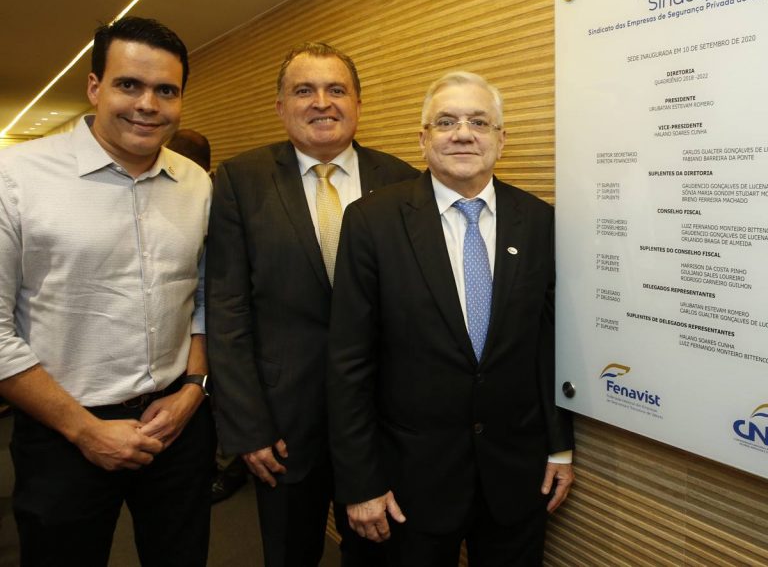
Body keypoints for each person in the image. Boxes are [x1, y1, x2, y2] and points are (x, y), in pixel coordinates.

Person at [328, 71, 575, 566]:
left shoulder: (539, 221)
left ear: (501, 139)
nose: (463, 134)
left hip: (516, 476)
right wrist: (360, 481)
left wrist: (559, 447)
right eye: (446, 122)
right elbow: (349, 360)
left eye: (479, 122)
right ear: (423, 139)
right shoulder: (372, 221)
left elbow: (548, 344)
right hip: (408, 483)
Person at [0, 16, 215, 566]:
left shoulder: (196, 184)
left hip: (176, 426)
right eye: (129, 84)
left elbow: (203, 298)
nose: (147, 104)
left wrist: (193, 388)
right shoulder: (15, 176)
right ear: (94, 87)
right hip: (62, 434)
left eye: (165, 90)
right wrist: (85, 430)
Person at [205, 42, 418, 566]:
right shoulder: (239, 181)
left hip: (383, 419)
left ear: (358, 103)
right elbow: (227, 308)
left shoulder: (403, 180)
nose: (322, 102)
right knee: (290, 552)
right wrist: (247, 426)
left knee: (380, 554)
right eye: (304, 90)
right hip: (284, 423)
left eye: (336, 89)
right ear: (281, 107)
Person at [165, 128, 250, 505]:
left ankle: (228, 467)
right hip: (199, 322)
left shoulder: (214, 194)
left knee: (220, 400)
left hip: (218, 321)